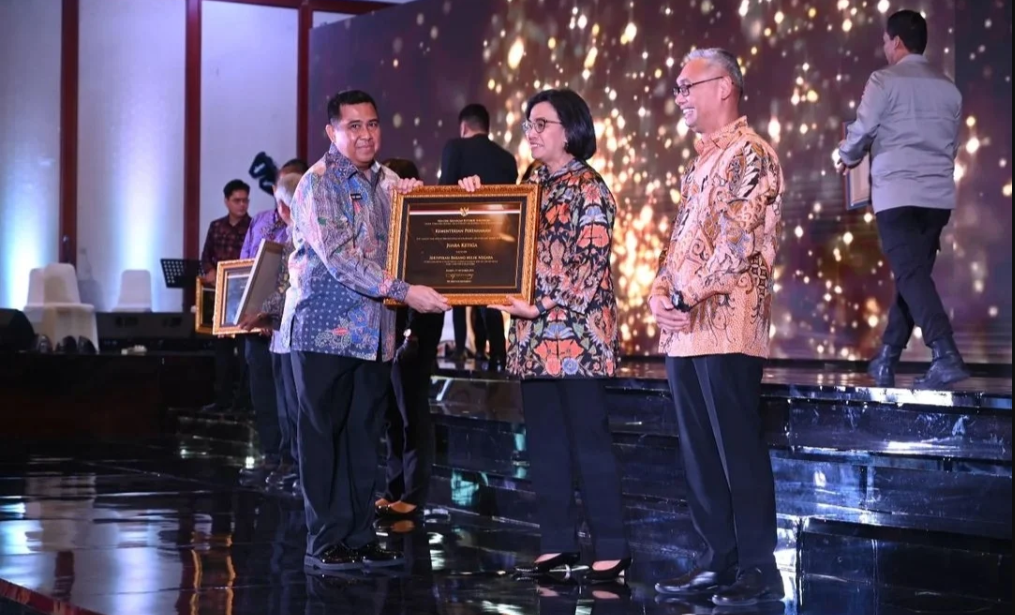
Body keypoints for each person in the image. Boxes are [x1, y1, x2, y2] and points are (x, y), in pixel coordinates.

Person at [458, 88, 629, 582]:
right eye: (528, 124)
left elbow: (588, 267)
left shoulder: (590, 188)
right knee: (546, 443)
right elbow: (503, 240)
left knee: (589, 441)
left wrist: (539, 304)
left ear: (570, 130)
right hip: (533, 341)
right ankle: (558, 541)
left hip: (579, 340)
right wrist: (476, 199)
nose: (530, 133)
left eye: (541, 124)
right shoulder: (530, 182)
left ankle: (612, 545)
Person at [282, 89, 449, 573]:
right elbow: (341, 259)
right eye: (353, 126)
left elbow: (419, 231)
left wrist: (443, 200)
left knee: (362, 438)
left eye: (371, 124)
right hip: (324, 333)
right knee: (323, 437)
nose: (365, 134)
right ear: (331, 131)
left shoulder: (389, 182)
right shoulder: (318, 183)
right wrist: (406, 291)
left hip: (376, 335)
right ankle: (325, 540)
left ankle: (358, 535)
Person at [649, 48, 784, 607]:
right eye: (678, 88)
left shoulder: (752, 154)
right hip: (684, 330)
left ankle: (758, 567)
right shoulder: (699, 162)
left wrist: (683, 294)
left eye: (688, 86)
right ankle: (716, 560)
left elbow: (738, 240)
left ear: (724, 86)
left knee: (736, 450)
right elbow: (678, 242)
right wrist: (659, 293)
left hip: (729, 326)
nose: (680, 97)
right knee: (699, 453)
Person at [837, 9, 968, 389]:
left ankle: (945, 352)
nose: (884, 47)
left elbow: (863, 130)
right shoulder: (950, 89)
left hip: (897, 195)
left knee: (911, 276)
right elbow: (952, 146)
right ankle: (887, 357)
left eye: (884, 40)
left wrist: (845, 156)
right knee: (914, 277)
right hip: (937, 199)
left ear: (896, 42)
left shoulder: (883, 80)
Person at [375, 157, 445, 520]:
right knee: (392, 414)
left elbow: (429, 280)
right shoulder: (385, 226)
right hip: (391, 327)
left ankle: (414, 493)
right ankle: (393, 487)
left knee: (412, 412)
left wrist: (412, 333)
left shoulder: (424, 225)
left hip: (417, 329)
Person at [237, 159, 308, 487]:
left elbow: (291, 284)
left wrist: (268, 313)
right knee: (275, 400)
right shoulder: (262, 221)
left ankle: (297, 465)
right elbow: (245, 269)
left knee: (296, 405)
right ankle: (279, 459)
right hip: (267, 328)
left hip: (293, 329)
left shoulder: (307, 231)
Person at [439, 103, 518, 370]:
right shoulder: (507, 159)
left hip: (462, 235)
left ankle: (461, 350)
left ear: (463, 127)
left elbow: (444, 192)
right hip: (498, 240)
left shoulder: (455, 148)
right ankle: (496, 353)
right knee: (490, 298)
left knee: (457, 296)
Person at [200, 179, 252, 413]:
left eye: (245, 200)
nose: (242, 205)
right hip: (221, 296)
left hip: (243, 295)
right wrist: (209, 271)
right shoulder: (216, 226)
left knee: (244, 352)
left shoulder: (253, 226)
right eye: (237, 200)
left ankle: (243, 403)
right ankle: (221, 400)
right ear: (226, 201)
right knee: (221, 352)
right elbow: (206, 257)